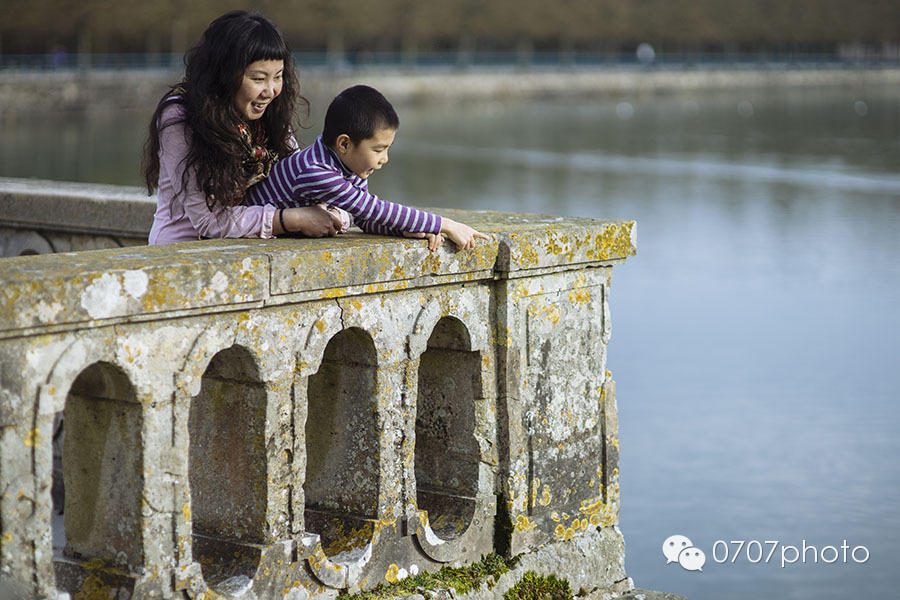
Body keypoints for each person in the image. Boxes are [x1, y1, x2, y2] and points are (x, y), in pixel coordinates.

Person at [144, 10, 345, 244]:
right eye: (258, 79)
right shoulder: (180, 115)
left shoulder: (270, 114)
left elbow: (298, 177)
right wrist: (292, 219)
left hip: (244, 251)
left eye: (278, 77)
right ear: (224, 75)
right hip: (182, 256)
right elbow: (208, 220)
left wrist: (330, 211)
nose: (270, 91)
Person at [246, 84, 488, 251]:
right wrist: (446, 224)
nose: (385, 159)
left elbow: (364, 217)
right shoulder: (316, 171)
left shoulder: (346, 164)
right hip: (250, 230)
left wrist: (403, 230)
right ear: (344, 144)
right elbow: (372, 208)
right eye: (378, 149)